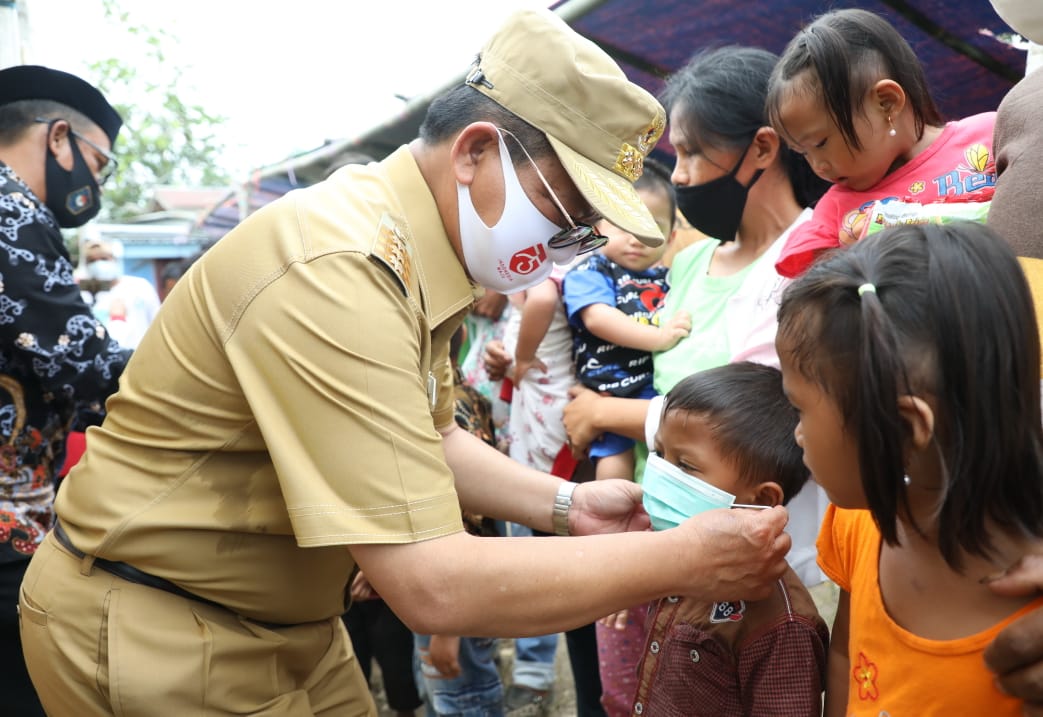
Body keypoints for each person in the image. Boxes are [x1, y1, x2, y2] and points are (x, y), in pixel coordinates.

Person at [19, 11, 792, 716]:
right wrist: (682, 557)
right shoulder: (340, 266)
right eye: (565, 212)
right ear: (476, 151)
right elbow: (433, 584)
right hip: (162, 619)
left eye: (587, 230)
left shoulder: (419, 248)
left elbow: (429, 436)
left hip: (282, 619)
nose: (569, 247)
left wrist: (567, 505)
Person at [560, 46, 831, 589]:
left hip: (766, 565)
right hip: (661, 538)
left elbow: (753, 420)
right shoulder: (686, 262)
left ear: (762, 148)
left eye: (691, 153)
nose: (679, 177)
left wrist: (603, 411)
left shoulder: (810, 260)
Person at [777, 220, 1043, 715]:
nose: (797, 433)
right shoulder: (857, 522)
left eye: (799, 408)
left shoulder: (1031, 624)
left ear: (902, 429)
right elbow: (846, 653)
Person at [0, 64, 130, 717]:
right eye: (98, 164)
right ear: (58, 138)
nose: (95, 186)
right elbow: (86, 366)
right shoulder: (10, 211)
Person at [631, 362, 828, 716]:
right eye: (660, 454)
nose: (662, 473)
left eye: (685, 466)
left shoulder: (782, 626)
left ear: (762, 499)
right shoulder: (677, 556)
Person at [765, 7, 997, 280]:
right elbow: (816, 290)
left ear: (887, 102)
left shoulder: (991, 135)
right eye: (803, 152)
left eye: (821, 142)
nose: (818, 166)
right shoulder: (834, 214)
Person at [562, 158, 690, 484]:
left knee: (663, 457)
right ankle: (612, 510)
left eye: (650, 228)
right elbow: (598, 319)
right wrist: (659, 338)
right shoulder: (592, 271)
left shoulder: (671, 278)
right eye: (624, 224)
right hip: (609, 388)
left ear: (671, 237)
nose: (635, 238)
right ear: (600, 227)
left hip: (654, 386)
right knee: (614, 463)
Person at [414, 327, 505, 717]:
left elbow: (465, 512)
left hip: (455, 589)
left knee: (463, 694)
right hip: (462, 586)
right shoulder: (471, 396)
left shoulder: (443, 411)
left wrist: (447, 626)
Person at [78, 237, 162, 349]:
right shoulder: (84, 295)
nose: (98, 264)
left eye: (104, 258)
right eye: (92, 261)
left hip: (141, 354)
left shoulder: (140, 286)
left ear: (114, 259)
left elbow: (158, 323)